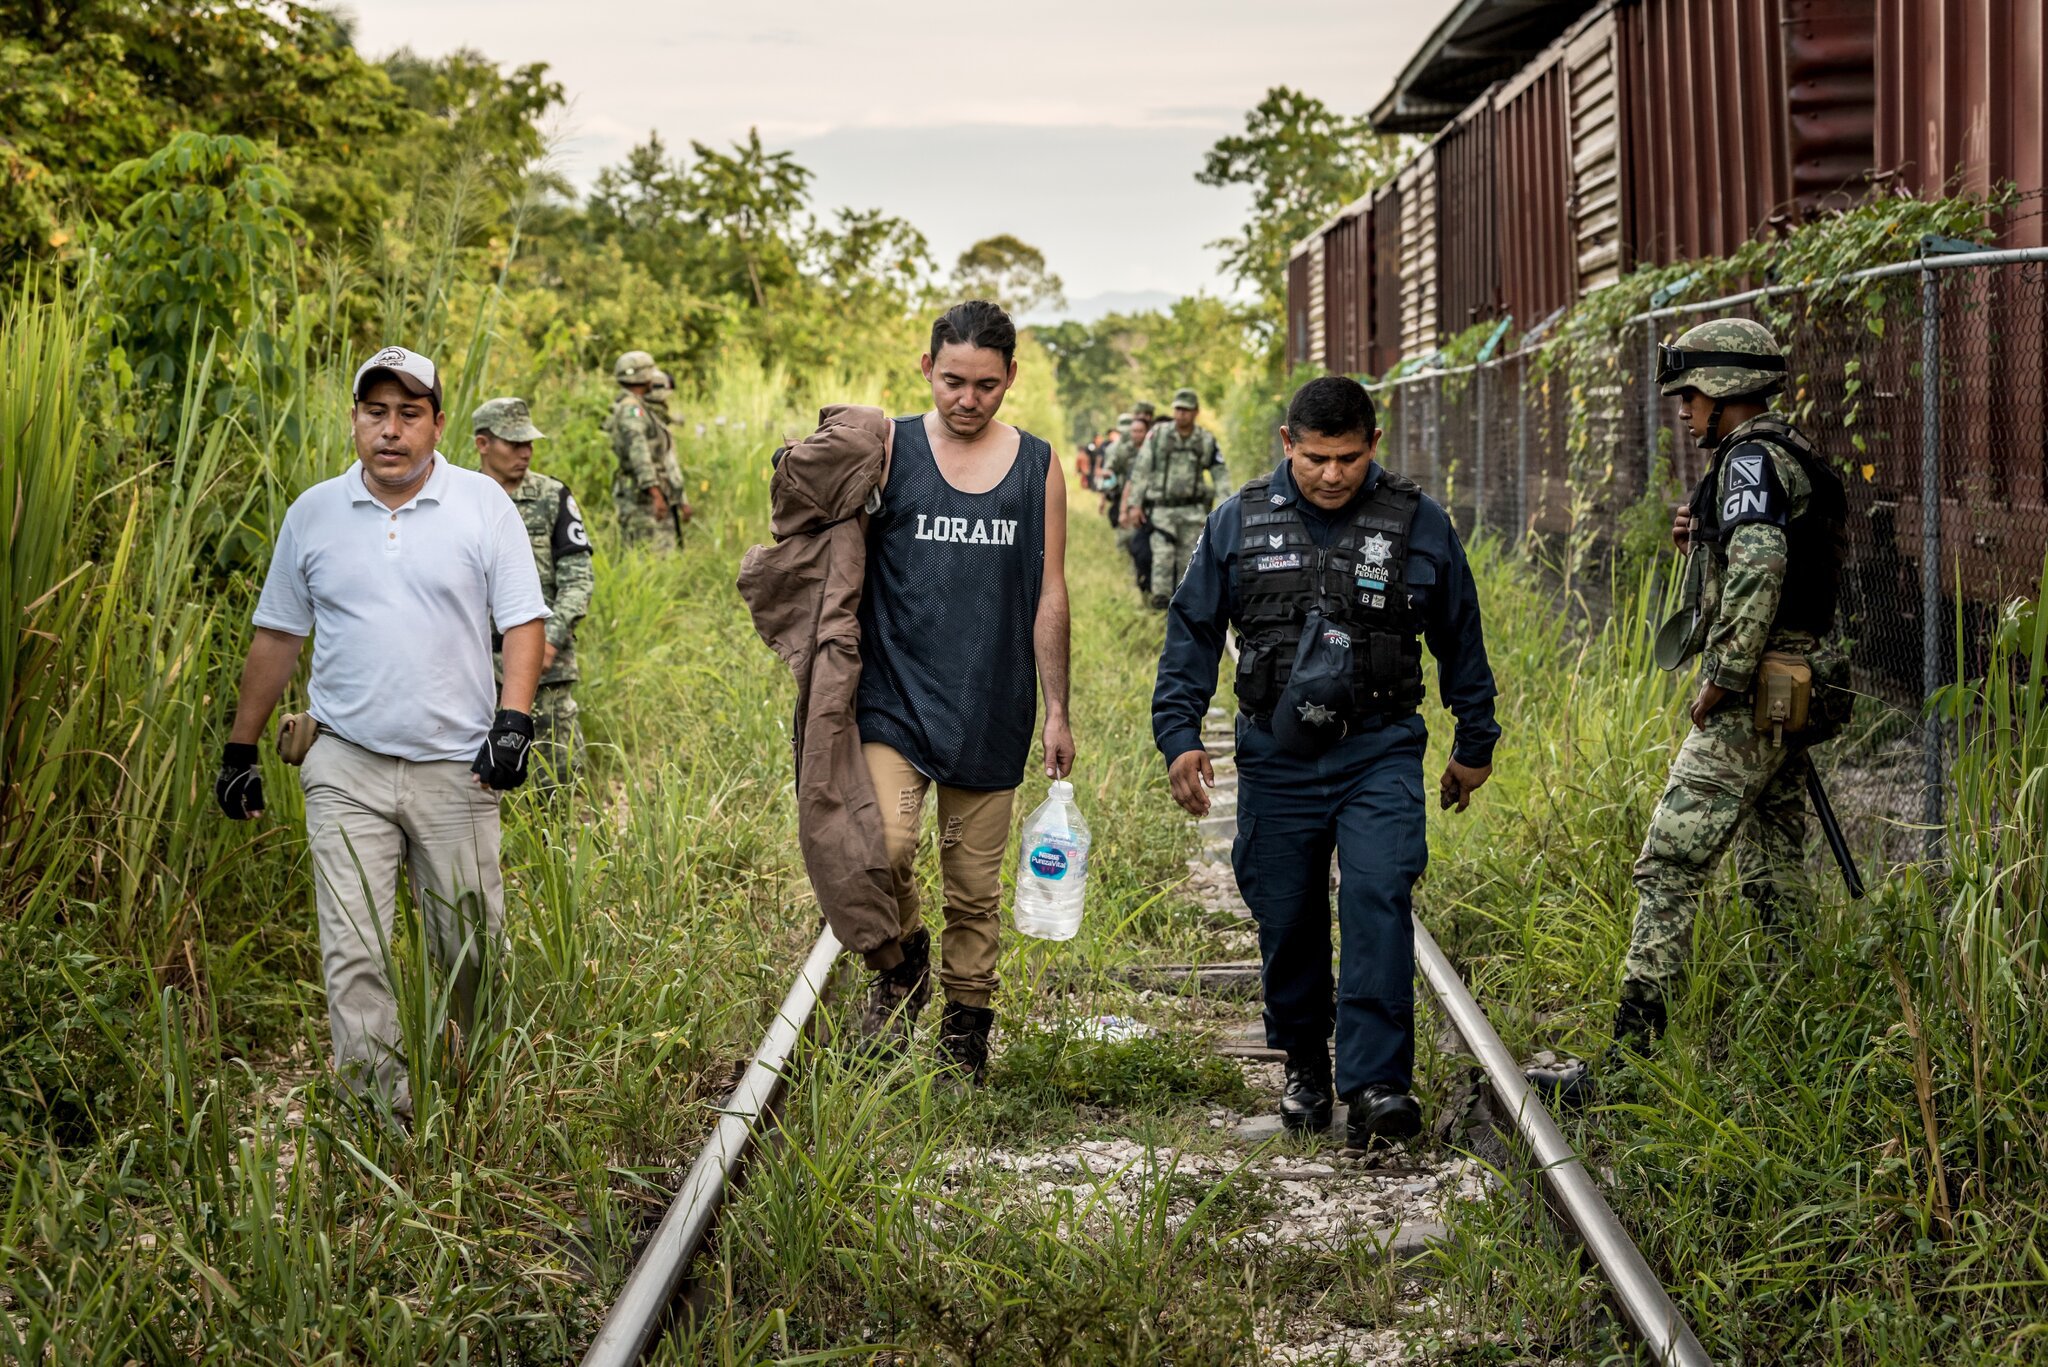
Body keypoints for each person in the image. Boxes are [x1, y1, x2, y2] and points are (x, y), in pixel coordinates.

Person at [1152, 375, 1499, 1147]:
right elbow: (1192, 633)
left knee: (1379, 891)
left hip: (1378, 747)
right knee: (1288, 906)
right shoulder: (1239, 521)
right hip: (1276, 756)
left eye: (1347, 457)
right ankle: (1307, 1059)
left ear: (1374, 444)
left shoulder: (1418, 523)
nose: (1332, 474)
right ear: (1287, 444)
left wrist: (1474, 741)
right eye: (1315, 458)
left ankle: (1377, 1083)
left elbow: (1460, 635)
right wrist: (1178, 735)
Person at [214, 346, 549, 1116]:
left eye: (408, 413)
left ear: (436, 423)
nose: (389, 430)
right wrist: (240, 749)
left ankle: (470, 1090)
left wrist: (513, 720)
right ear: (355, 420)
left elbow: (522, 621)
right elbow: (277, 635)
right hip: (345, 763)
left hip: (456, 767)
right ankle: (382, 1112)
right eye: (375, 412)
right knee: (354, 949)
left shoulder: (482, 506)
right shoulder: (314, 514)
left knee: (468, 949)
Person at [1609, 318, 1848, 1054]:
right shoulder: (1784, 452)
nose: (1685, 410)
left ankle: (1630, 1055)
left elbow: (1761, 565)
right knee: (1774, 856)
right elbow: (1768, 548)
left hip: (1754, 690)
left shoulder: (1750, 462)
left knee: (1671, 856)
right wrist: (1700, 533)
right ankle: (1799, 1032)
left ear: (1727, 392)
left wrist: (1723, 675)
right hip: (1798, 683)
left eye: (1692, 394)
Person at [854, 299, 1074, 1083]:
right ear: (927, 369)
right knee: (882, 848)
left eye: (986, 384)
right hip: (895, 697)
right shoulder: (889, 449)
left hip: (991, 697)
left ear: (1010, 377)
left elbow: (1050, 590)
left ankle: (965, 1031)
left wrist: (1057, 707)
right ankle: (902, 961)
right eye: (953, 381)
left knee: (975, 889)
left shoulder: (1038, 465)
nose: (967, 399)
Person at [472, 396, 594, 791]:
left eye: (529, 443)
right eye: (513, 443)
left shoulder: (552, 496)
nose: (525, 453)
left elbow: (578, 579)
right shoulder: (460, 500)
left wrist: (550, 642)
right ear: (483, 444)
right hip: (474, 671)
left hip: (546, 670)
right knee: (477, 786)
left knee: (555, 783)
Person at [1127, 388, 1226, 608]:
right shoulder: (1159, 435)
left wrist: (1223, 508)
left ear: (1196, 412)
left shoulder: (1205, 440)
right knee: (1162, 559)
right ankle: (1160, 608)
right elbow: (1141, 469)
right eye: (1178, 409)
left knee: (1188, 563)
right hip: (1162, 510)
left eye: (1186, 410)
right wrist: (1134, 504)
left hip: (1192, 512)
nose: (1181, 414)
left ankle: (1184, 608)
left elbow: (1220, 474)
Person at [605, 350, 677, 550]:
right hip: (641, 497)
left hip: (643, 492)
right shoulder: (632, 410)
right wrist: (655, 492)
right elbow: (639, 454)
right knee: (652, 552)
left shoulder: (635, 406)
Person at [1106, 404, 1155, 592]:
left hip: (1151, 505)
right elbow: (1116, 475)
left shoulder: (1156, 445)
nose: (1135, 434)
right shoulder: (1121, 449)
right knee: (1133, 545)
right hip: (1127, 499)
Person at [645, 367, 694, 543]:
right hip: (659, 495)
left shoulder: (649, 419)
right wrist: (682, 500)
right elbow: (669, 465)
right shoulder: (653, 422)